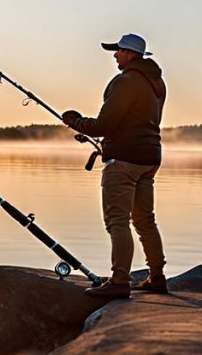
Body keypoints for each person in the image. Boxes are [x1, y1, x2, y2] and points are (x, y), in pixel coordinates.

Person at [62, 33, 168, 298]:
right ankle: (157, 277)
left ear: (130, 54)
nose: (115, 55)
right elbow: (132, 123)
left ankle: (120, 282)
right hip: (150, 158)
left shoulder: (125, 82)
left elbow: (105, 124)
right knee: (145, 221)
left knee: (117, 221)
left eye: (118, 51)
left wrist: (75, 121)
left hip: (123, 161)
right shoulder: (157, 83)